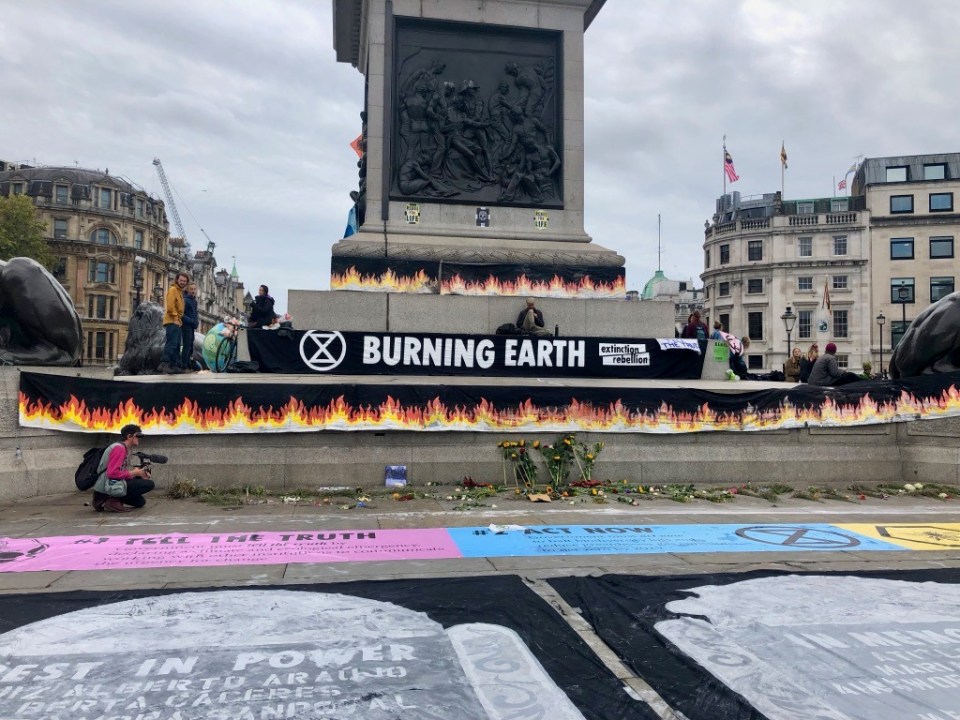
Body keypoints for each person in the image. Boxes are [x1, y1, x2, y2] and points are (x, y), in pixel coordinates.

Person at [91, 424, 155, 513]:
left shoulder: (121, 447)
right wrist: (133, 473)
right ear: (129, 436)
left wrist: (139, 474)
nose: (138, 439)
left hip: (111, 484)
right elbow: (112, 473)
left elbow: (119, 472)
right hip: (106, 488)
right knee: (149, 484)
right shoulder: (119, 448)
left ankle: (113, 500)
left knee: (140, 502)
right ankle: (110, 500)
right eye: (137, 436)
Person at [158, 272, 188, 375]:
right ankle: (164, 363)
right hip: (172, 320)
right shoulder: (173, 290)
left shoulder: (179, 292)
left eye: (185, 281)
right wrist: (175, 318)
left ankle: (174, 365)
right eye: (181, 280)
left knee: (177, 344)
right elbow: (170, 306)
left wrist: (178, 320)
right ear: (177, 280)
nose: (183, 282)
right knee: (172, 343)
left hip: (177, 321)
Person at [180, 282, 199, 372]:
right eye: (191, 289)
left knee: (190, 345)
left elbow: (195, 314)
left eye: (194, 289)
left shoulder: (194, 301)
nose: (193, 291)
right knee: (186, 346)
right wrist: (191, 321)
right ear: (187, 290)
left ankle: (188, 364)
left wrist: (196, 322)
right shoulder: (185, 300)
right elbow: (181, 314)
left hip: (192, 327)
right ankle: (184, 366)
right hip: (186, 326)